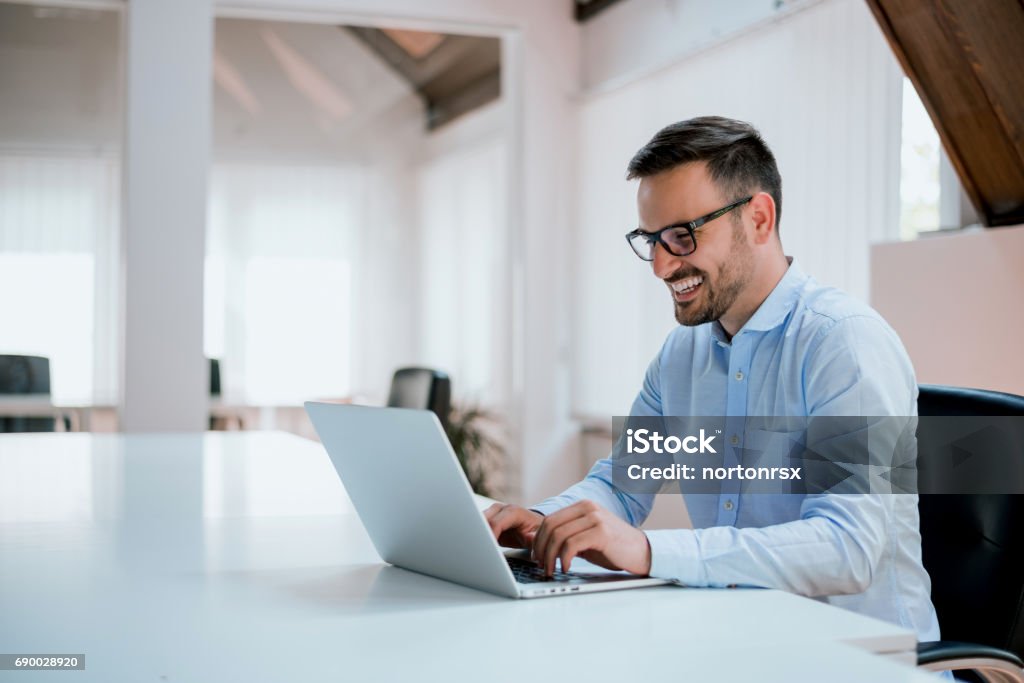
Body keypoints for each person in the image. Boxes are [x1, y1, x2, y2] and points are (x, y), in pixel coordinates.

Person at [485, 116, 940, 641]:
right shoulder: (683, 352)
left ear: (759, 220)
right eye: (650, 239)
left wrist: (649, 550)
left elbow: (847, 548)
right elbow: (621, 485)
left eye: (682, 236)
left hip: (859, 662)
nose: (660, 267)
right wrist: (543, 521)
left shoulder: (844, 343)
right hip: (738, 644)